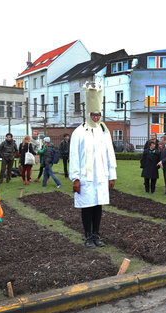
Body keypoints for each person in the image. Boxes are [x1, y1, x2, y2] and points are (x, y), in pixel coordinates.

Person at [69, 86, 117, 248]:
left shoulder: (104, 131)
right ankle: (88, 236)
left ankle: (96, 234)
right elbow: (74, 156)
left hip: (101, 177)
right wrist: (75, 178)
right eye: (93, 115)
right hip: (85, 177)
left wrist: (112, 175)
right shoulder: (79, 132)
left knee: (98, 206)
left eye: (98, 115)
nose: (96, 117)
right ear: (88, 114)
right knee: (87, 206)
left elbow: (110, 153)